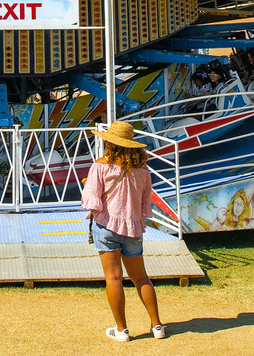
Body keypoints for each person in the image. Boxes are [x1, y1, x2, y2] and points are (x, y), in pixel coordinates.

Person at [81, 121, 165, 342]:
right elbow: (145, 204)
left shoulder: (100, 166)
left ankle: (122, 330)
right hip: (134, 228)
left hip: (106, 226)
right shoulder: (143, 172)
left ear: (109, 142)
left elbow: (91, 201)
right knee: (141, 277)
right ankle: (157, 326)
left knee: (114, 278)